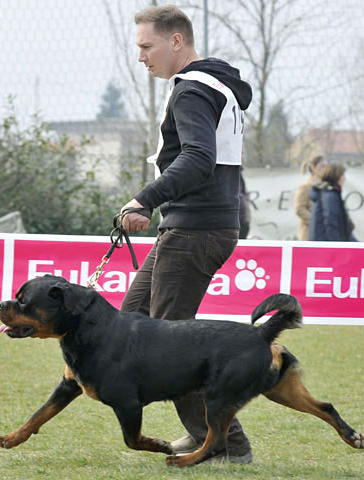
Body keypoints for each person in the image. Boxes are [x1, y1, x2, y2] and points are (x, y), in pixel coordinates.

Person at [119, 5, 254, 464]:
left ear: (176, 41)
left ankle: (224, 445)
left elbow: (198, 158)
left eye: (146, 46)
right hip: (192, 224)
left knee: (169, 347)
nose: (141, 57)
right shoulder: (214, 84)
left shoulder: (192, 89)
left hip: (196, 228)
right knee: (132, 319)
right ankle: (205, 434)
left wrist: (144, 199)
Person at [308, 164, 357, 242]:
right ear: (336, 176)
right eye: (342, 175)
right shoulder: (330, 194)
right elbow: (330, 223)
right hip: (326, 243)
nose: (344, 178)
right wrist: (337, 245)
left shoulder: (329, 192)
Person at [294, 155, 327, 240]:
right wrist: (317, 222)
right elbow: (299, 209)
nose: (325, 169)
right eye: (322, 166)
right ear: (313, 167)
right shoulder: (305, 187)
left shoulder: (326, 187)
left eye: (326, 166)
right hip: (308, 235)